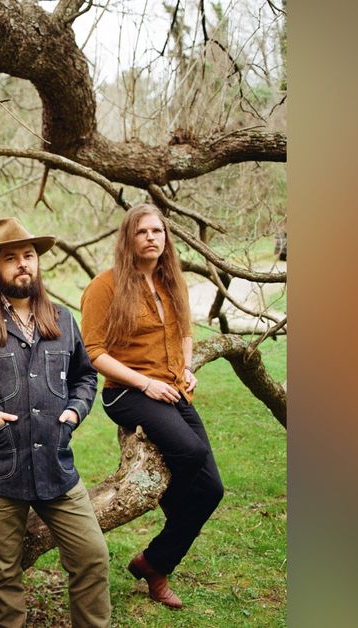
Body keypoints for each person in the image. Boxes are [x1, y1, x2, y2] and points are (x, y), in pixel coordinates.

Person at [0, 218, 111, 628]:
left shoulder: (63, 321)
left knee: (93, 558)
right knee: (3, 579)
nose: (22, 264)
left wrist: (76, 410)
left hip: (57, 470)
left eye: (28, 256)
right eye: (10, 258)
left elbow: (85, 375)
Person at [79, 204, 224, 609]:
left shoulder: (170, 281)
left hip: (174, 388)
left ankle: (154, 563)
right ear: (129, 239)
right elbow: (94, 352)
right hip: (127, 392)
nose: (151, 237)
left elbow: (185, 334)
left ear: (166, 238)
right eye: (142, 231)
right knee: (191, 454)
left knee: (212, 490)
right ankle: (170, 536)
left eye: (157, 231)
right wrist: (146, 383)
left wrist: (187, 367)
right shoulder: (104, 286)